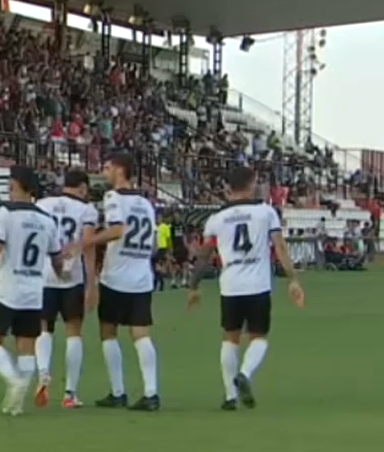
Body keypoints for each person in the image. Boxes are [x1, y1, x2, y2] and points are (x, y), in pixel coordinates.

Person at [188, 166, 305, 410]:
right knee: (259, 337)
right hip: (258, 285)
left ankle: (230, 396)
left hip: (230, 285)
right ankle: (245, 373)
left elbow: (204, 255)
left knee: (230, 338)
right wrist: (292, 278)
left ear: (228, 187)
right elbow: (280, 247)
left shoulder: (216, 219)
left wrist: (193, 285)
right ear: (252, 184)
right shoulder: (265, 213)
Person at [0, 166, 64, 416]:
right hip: (34, 291)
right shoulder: (47, 220)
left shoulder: (6, 213)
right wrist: (62, 275)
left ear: (22, 188)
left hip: (8, 289)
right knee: (26, 345)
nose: (9, 192)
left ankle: (13, 381)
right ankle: (16, 403)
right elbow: (57, 259)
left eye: (11, 188)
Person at [82, 152, 160, 412]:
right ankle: (151, 392)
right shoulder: (147, 204)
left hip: (116, 276)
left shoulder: (113, 198)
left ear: (119, 170)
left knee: (108, 330)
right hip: (142, 277)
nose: (104, 172)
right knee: (140, 333)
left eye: (107, 167)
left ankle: (118, 392)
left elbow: (118, 229)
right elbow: (153, 247)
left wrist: (87, 241)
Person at [32, 168, 99, 409]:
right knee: (73, 331)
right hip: (72, 276)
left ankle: (43, 375)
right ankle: (70, 393)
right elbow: (89, 245)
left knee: (43, 328)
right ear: (82, 187)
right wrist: (92, 284)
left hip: (44, 273)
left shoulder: (42, 204)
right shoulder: (87, 210)